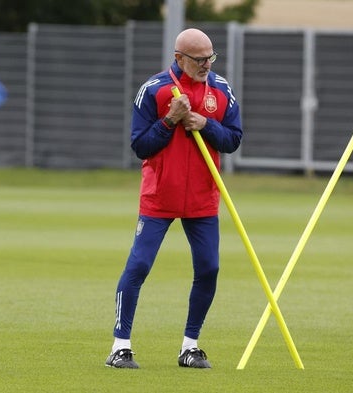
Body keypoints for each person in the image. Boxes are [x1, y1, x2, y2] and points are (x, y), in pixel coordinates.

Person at [105, 28, 243, 369]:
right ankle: (120, 346)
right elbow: (140, 146)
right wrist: (169, 120)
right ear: (178, 57)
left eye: (211, 57)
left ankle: (190, 346)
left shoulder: (221, 90)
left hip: (202, 198)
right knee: (139, 266)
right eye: (198, 59)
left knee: (209, 268)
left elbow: (233, 140)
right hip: (160, 196)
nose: (206, 64)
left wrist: (204, 123)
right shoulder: (153, 90)